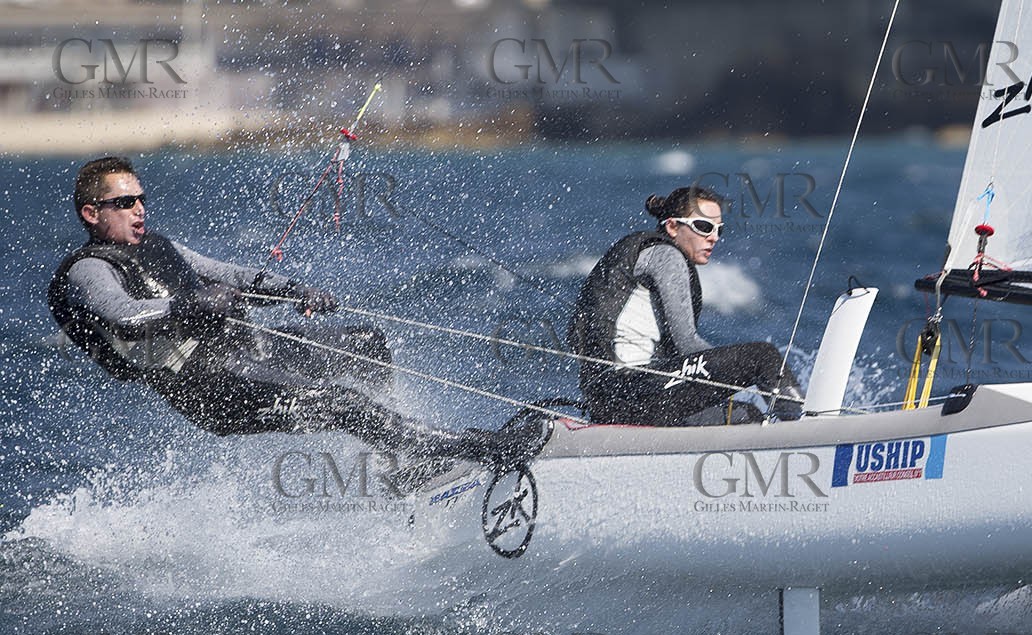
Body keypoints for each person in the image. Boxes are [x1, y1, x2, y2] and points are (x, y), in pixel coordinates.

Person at [48, 155, 509, 463]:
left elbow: (225, 273)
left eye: (141, 199)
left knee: (364, 343)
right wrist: (190, 304)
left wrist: (297, 291)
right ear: (92, 213)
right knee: (337, 402)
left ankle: (399, 457)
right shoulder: (89, 269)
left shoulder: (157, 246)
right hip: (214, 389)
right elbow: (121, 313)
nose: (139, 210)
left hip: (253, 352)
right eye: (125, 202)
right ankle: (442, 451)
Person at [567, 185, 803, 425]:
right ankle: (806, 426)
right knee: (762, 357)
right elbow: (686, 343)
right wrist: (732, 375)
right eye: (704, 227)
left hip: (610, 400)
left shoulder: (631, 254)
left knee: (745, 415)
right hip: (634, 391)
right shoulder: (665, 256)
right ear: (672, 226)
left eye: (719, 229)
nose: (714, 237)